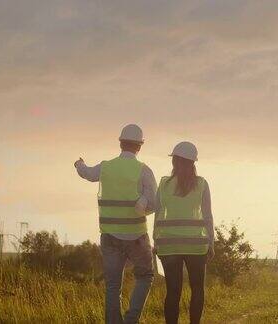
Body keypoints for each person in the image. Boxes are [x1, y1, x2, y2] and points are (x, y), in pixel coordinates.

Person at [74, 124, 156, 324]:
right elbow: (154, 203)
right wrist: (142, 204)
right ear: (140, 146)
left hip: (109, 236)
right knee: (145, 277)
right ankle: (131, 320)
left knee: (112, 286)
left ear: (120, 143)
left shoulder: (106, 167)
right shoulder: (144, 170)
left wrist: (79, 164)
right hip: (136, 236)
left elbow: (87, 174)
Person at [153, 141, 215, 324]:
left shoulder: (164, 184)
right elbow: (207, 216)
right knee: (197, 289)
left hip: (169, 245)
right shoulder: (202, 184)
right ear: (193, 162)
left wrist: (156, 241)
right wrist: (211, 242)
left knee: (173, 291)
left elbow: (157, 214)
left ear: (174, 162)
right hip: (196, 245)